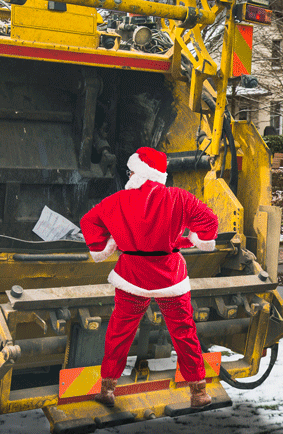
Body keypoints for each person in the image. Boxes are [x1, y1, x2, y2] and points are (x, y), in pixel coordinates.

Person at [80, 147, 218, 410]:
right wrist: (196, 238)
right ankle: (198, 392)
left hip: (132, 277)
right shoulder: (179, 197)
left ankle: (108, 388)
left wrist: (106, 245)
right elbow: (209, 219)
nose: (129, 174)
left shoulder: (118, 200)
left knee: (120, 332)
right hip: (170, 278)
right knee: (184, 333)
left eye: (131, 170)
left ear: (137, 173)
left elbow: (89, 221)